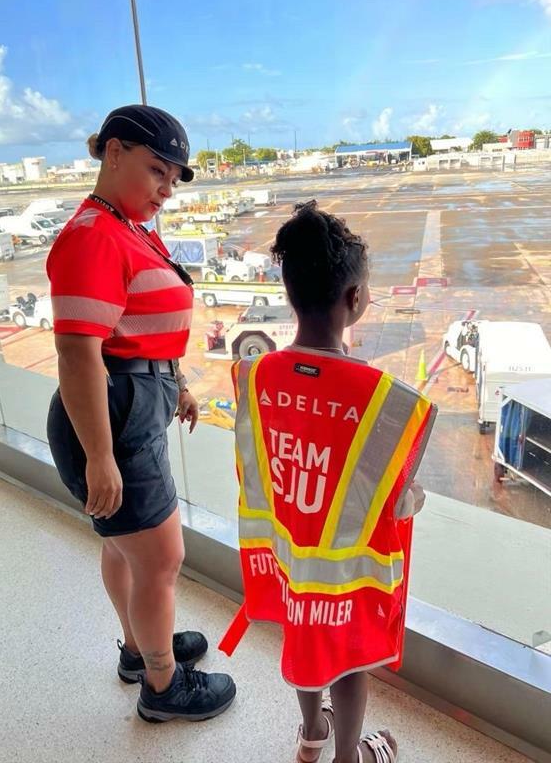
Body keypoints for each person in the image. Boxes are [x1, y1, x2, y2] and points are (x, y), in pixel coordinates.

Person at [46, 104, 236, 723]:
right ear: (113, 152)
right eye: (156, 169)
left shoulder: (127, 224)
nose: (165, 188)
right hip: (111, 417)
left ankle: (137, 649)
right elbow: (78, 355)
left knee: (128, 549)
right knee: (160, 560)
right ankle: (162, 686)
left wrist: (173, 381)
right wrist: (100, 457)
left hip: (133, 403)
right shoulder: (93, 236)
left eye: (174, 177)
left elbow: (136, 329)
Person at [226, 201, 435, 762]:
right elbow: (399, 497)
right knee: (347, 660)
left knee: (303, 642)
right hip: (346, 571)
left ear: (291, 293)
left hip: (288, 555)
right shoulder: (383, 399)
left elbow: (252, 460)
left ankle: (312, 731)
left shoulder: (255, 374)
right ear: (355, 300)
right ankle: (350, 756)